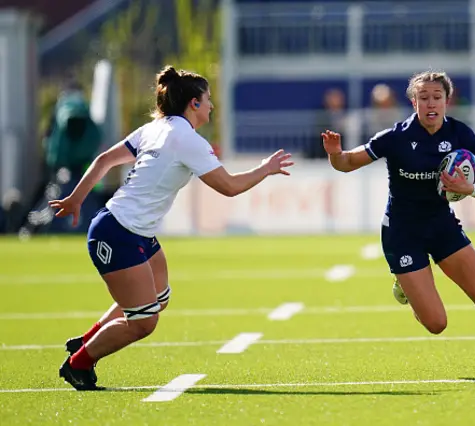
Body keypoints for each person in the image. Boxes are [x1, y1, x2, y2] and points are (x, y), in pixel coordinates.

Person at [49, 65, 294, 390]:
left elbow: (104, 160)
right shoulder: (185, 139)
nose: (211, 106)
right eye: (207, 100)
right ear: (193, 103)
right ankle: (79, 363)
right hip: (118, 232)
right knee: (144, 323)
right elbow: (230, 187)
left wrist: (77, 199)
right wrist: (265, 169)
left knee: (158, 298)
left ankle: (89, 338)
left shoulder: (156, 128)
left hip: (131, 230)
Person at [321, 71, 475, 377]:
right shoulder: (395, 137)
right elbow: (346, 163)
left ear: (446, 100)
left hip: (442, 227)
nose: (430, 103)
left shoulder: (461, 134)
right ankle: (405, 282)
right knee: (437, 324)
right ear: (414, 102)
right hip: (402, 233)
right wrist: (334, 154)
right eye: (424, 98)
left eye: (436, 97)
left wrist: (470, 189)